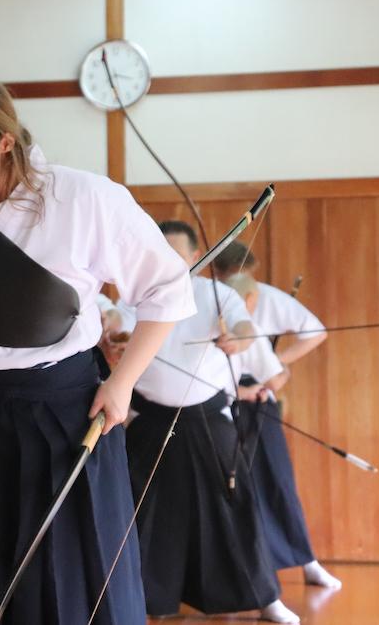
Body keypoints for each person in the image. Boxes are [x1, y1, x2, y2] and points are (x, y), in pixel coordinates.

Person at [0, 70, 195, 625]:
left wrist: (122, 384)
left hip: (66, 417)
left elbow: (168, 288)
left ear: (4, 142)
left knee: (73, 588)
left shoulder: (86, 198)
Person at [124, 221, 300, 623]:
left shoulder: (216, 294)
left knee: (234, 508)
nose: (170, 261)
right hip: (151, 421)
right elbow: (115, 322)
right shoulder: (136, 296)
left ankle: (265, 597)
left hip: (206, 419)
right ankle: (142, 602)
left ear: (194, 256)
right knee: (142, 513)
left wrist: (239, 338)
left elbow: (243, 327)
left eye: (178, 254)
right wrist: (113, 334)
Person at [214, 244, 340, 589]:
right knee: (227, 485)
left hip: (260, 395)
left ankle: (306, 559)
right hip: (215, 398)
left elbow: (315, 331)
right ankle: (240, 568)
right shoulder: (213, 299)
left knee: (277, 479)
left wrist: (278, 362)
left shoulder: (266, 297)